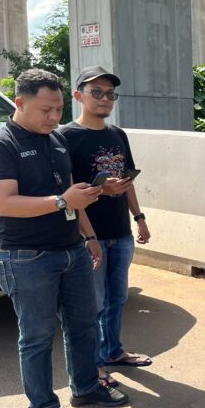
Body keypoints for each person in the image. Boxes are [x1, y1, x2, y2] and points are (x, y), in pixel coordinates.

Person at [0, 69, 128, 408]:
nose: (53, 117)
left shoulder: (57, 141)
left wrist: (90, 234)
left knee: (82, 324)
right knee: (35, 336)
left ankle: (85, 387)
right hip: (25, 256)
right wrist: (63, 200)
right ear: (20, 104)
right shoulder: (1, 143)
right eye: (45, 109)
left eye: (59, 109)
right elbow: (4, 203)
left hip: (72, 249)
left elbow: (71, 195)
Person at [60, 66, 152, 389]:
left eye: (110, 93)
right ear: (78, 96)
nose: (104, 99)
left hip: (121, 233)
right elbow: (70, 194)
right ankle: (95, 366)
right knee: (93, 304)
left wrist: (139, 218)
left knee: (117, 298)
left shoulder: (118, 135)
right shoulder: (66, 137)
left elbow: (127, 182)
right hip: (91, 235)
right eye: (96, 92)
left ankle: (114, 351)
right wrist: (90, 236)